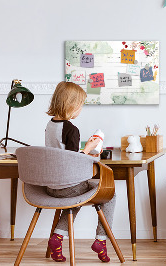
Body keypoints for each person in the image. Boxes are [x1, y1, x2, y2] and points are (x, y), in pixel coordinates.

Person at [45, 81, 115, 263]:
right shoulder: (71, 129)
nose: (81, 109)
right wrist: (89, 149)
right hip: (68, 186)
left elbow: (62, 154)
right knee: (110, 194)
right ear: (71, 105)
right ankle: (101, 240)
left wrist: (84, 150)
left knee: (76, 198)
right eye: (81, 105)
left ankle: (57, 238)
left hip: (51, 186)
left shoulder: (50, 125)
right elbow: (72, 161)